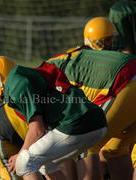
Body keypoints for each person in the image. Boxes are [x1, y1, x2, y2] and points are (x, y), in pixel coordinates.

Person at [0, 56, 107, 180]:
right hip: (94, 121)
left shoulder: (16, 86)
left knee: (24, 163)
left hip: (77, 123)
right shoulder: (22, 78)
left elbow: (37, 129)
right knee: (45, 164)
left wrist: (21, 154)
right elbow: (43, 131)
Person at [47, 48, 136, 180]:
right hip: (127, 75)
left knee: (86, 143)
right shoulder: (58, 65)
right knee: (115, 149)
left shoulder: (41, 82)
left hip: (126, 81)